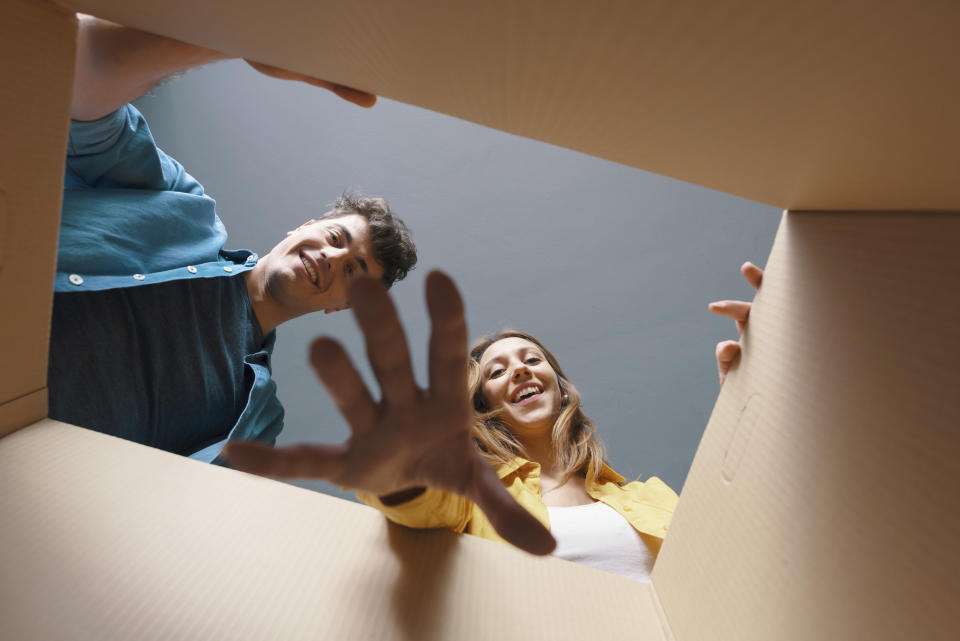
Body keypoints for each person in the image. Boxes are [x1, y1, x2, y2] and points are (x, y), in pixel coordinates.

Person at [49, 14, 417, 464]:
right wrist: (241, 37)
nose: (332, 257)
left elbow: (162, 508)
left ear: (343, 305)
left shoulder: (255, 419)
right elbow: (81, 97)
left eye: (354, 270)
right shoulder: (182, 206)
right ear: (302, 228)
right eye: (337, 237)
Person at [224, 264, 763, 560]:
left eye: (532, 360)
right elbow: (411, 499)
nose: (522, 371)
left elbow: (746, 536)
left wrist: (754, 393)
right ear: (483, 406)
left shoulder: (649, 498)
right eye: (498, 371)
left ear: (559, 383)